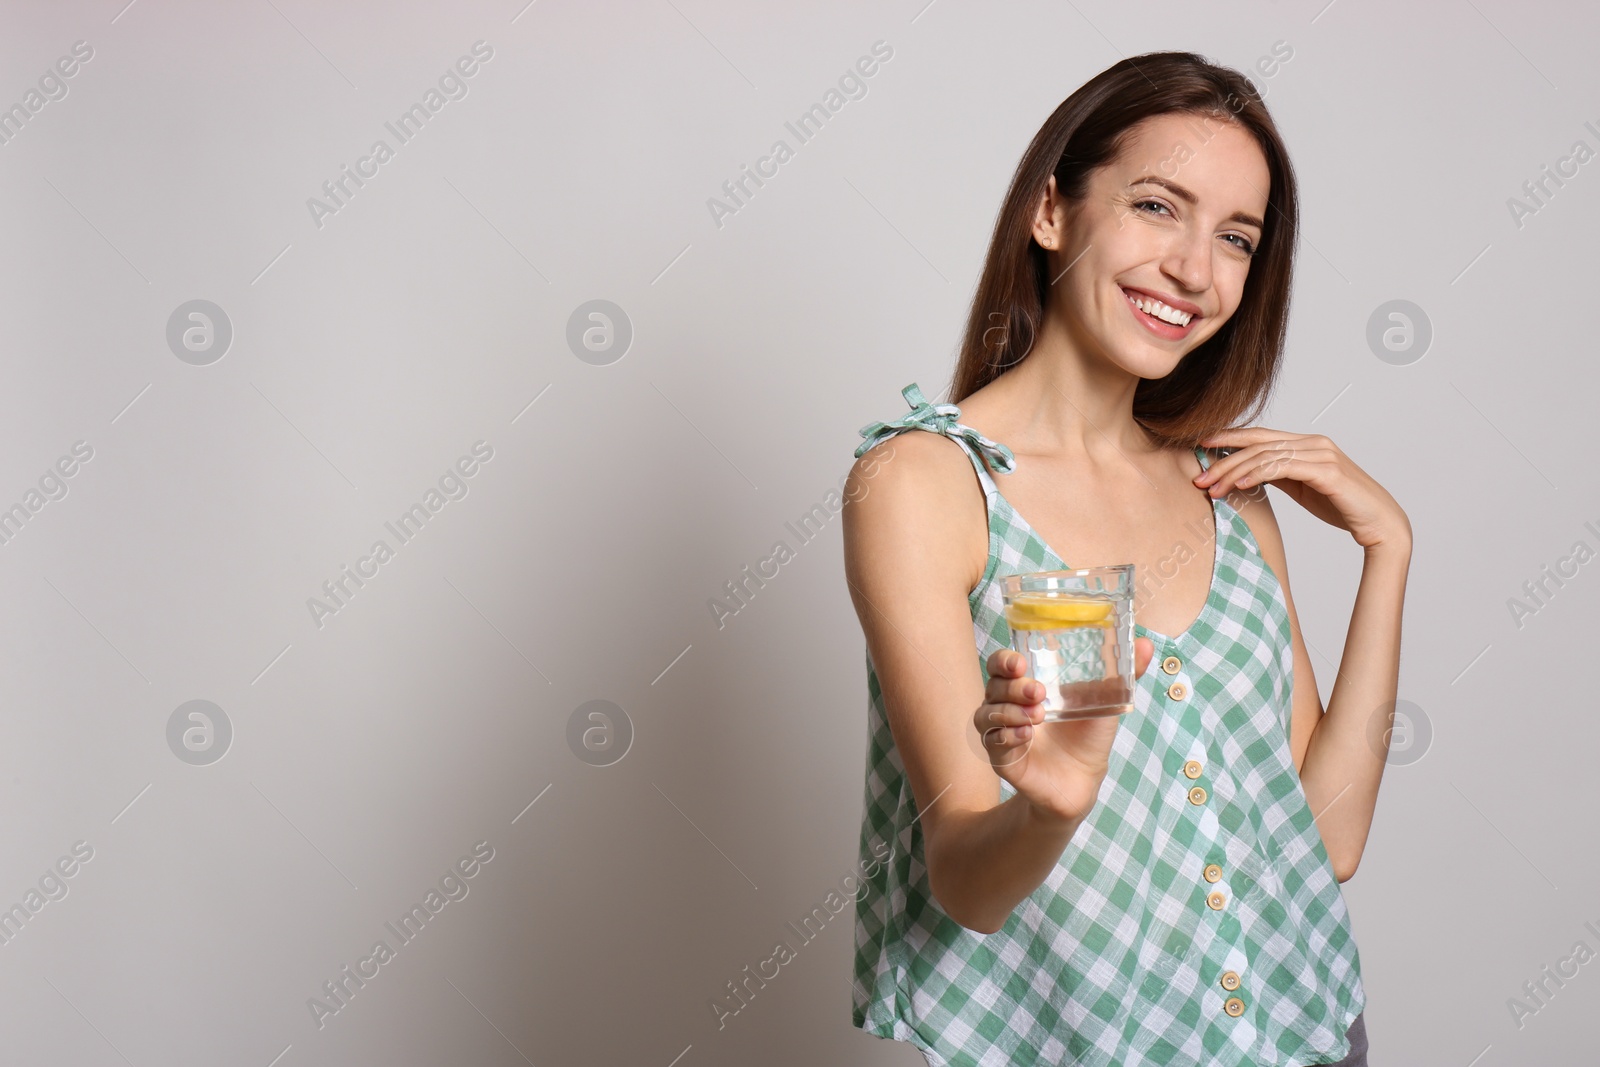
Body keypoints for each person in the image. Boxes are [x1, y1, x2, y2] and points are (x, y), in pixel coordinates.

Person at [841, 51, 1410, 1067]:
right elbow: (967, 880)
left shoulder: (1225, 497)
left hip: (1307, 1034)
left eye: (1235, 237)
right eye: (1158, 206)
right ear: (1052, 209)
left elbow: (1326, 840)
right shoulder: (928, 486)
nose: (1195, 268)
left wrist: (1387, 550)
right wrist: (1049, 804)